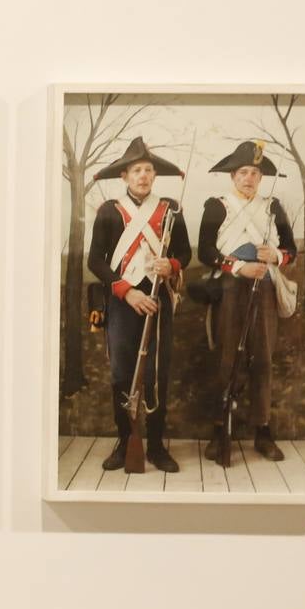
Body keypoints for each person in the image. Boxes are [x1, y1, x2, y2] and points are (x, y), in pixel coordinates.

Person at [88, 137, 192, 473]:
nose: (143, 176)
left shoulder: (171, 209)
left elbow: (185, 253)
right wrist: (126, 292)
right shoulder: (109, 211)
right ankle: (125, 440)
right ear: (125, 176)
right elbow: (96, 261)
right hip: (123, 301)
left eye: (148, 170)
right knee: (122, 372)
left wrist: (172, 266)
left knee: (156, 373)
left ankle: (157, 445)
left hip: (158, 298)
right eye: (136, 170)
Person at [198, 139, 298, 463]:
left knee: (263, 358)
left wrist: (276, 256)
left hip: (265, 288)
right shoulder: (217, 205)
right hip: (229, 288)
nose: (249, 178)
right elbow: (205, 251)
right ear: (232, 176)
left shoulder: (272, 207)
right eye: (243, 172)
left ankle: (263, 431)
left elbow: (291, 250)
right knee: (229, 358)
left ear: (260, 177)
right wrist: (239, 267)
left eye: (254, 173)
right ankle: (219, 431)